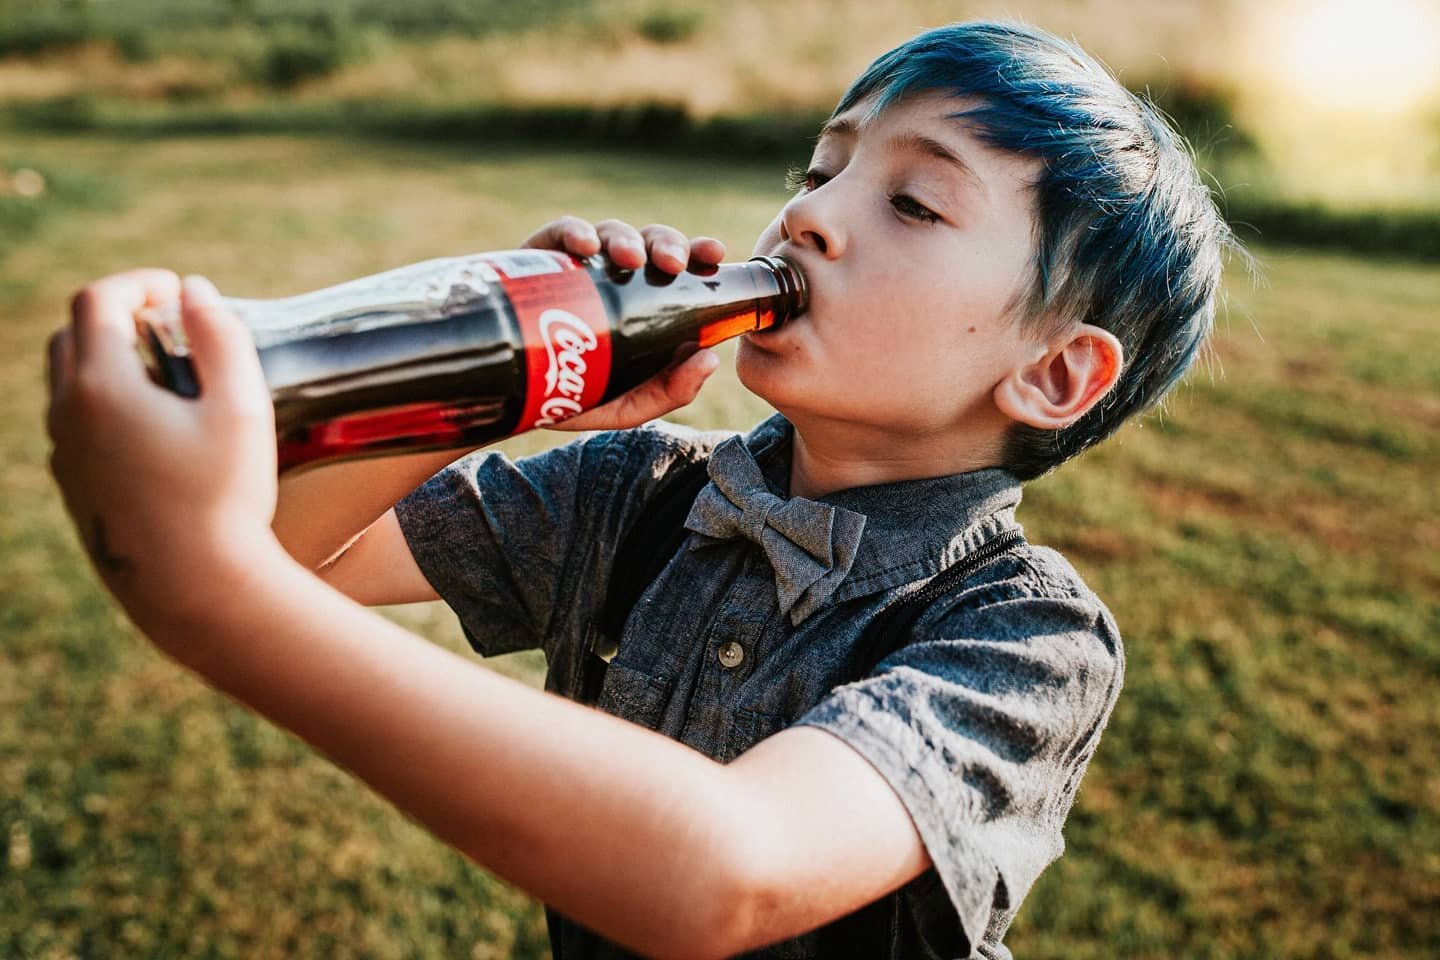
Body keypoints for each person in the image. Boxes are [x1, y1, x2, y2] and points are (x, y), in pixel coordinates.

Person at [45, 20, 1238, 960]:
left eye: (913, 202)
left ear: (1054, 372)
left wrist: (211, 595)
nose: (809, 216)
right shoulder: (640, 493)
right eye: (818, 169)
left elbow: (727, 874)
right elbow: (305, 550)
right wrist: (507, 375)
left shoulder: (1023, 636)